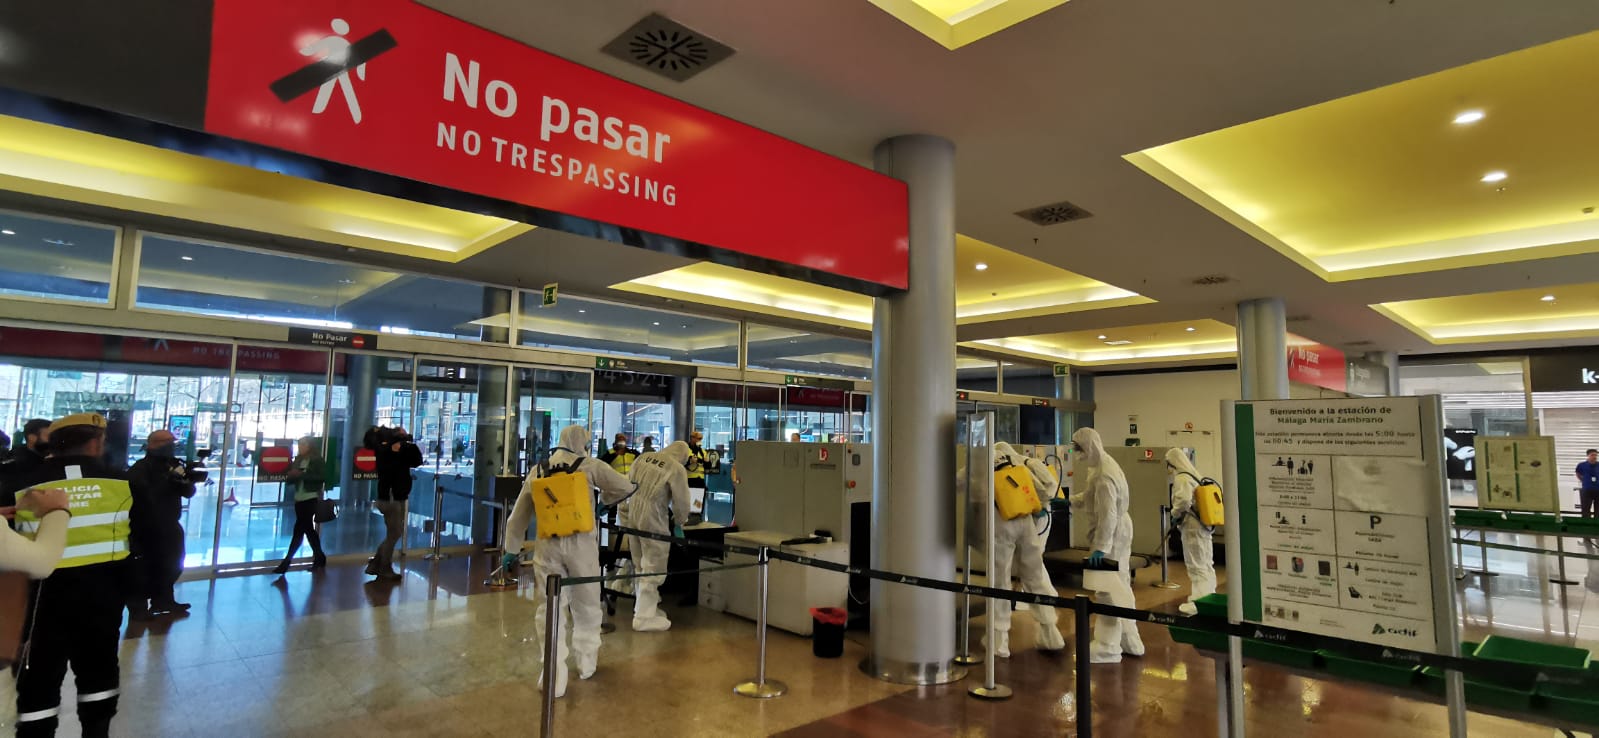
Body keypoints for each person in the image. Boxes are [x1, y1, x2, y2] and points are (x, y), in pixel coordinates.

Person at [11, 413, 134, 738]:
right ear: (97, 442)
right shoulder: (122, 483)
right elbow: (147, 540)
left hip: (37, 604)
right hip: (102, 599)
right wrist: (135, 590)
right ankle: (97, 730)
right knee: (99, 672)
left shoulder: (22, 484)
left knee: (38, 681)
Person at [499, 425, 634, 698]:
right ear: (583, 442)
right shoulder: (590, 466)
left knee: (549, 608)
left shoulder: (539, 468)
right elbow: (625, 486)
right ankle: (586, 662)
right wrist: (603, 502)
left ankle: (553, 672)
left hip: (548, 546)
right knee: (586, 604)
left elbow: (519, 514)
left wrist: (511, 548)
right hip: (582, 545)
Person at [1071, 427, 1145, 664]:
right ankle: (1130, 639)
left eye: (1079, 448)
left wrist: (1101, 546)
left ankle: (1107, 646)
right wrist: (1068, 502)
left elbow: (1108, 514)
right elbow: (1092, 498)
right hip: (1119, 530)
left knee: (1106, 588)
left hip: (1111, 533)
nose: (1077, 454)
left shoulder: (1104, 474)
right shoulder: (1103, 465)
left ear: (1089, 446)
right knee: (1120, 584)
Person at [986, 442, 1066, 657]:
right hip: (1026, 524)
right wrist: (1037, 509)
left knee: (999, 582)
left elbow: (957, 483)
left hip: (1001, 524)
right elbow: (1042, 490)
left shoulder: (981, 464)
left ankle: (999, 640)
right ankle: (1050, 632)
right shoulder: (1017, 463)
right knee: (1035, 577)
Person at [126, 430, 198, 619]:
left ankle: (164, 600)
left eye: (172, 442)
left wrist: (183, 480)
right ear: (153, 444)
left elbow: (189, 491)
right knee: (144, 568)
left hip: (169, 525)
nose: (171, 446)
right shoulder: (140, 469)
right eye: (167, 442)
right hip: (145, 528)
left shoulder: (173, 465)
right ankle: (138, 608)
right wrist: (166, 482)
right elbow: (144, 496)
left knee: (173, 564)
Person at [627, 440, 698, 632]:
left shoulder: (643, 458)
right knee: (654, 564)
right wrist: (680, 520)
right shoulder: (676, 468)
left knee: (639, 561)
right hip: (653, 516)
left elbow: (626, 483)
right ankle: (644, 617)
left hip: (632, 511)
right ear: (683, 456)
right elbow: (682, 502)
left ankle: (641, 607)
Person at [1166, 448, 1217, 616]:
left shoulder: (1182, 478)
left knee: (1196, 566)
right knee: (1206, 564)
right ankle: (1208, 597)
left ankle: (1199, 603)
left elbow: (1183, 501)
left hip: (1192, 527)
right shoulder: (1195, 475)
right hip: (1203, 526)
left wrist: (1174, 514)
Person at [369, 427, 422, 580]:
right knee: (395, 533)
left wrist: (406, 448)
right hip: (391, 498)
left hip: (395, 496)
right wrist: (395, 451)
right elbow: (388, 469)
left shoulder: (400, 451)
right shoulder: (386, 451)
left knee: (393, 533)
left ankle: (376, 564)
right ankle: (383, 566)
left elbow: (417, 461)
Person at [272, 438, 327, 574]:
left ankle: (286, 562)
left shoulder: (316, 460)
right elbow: (292, 477)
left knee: (299, 529)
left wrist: (302, 475)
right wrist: (292, 475)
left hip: (310, 497)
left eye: (303, 444)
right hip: (299, 497)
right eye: (300, 444)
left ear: (310, 446)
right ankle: (320, 557)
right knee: (308, 529)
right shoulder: (298, 460)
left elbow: (320, 477)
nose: (301, 447)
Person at [0, 420, 52, 507]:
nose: (53, 441)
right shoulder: (15, 463)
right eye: (49, 437)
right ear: (32, 437)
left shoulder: (51, 459)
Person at [684, 431, 714, 519]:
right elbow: (682, 462)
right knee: (688, 499)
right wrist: (690, 461)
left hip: (699, 479)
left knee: (698, 498)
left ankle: (696, 516)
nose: (699, 440)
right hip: (689, 479)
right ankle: (687, 516)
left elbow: (708, 466)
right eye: (698, 438)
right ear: (692, 438)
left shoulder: (702, 451)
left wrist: (707, 461)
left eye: (700, 439)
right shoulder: (686, 450)